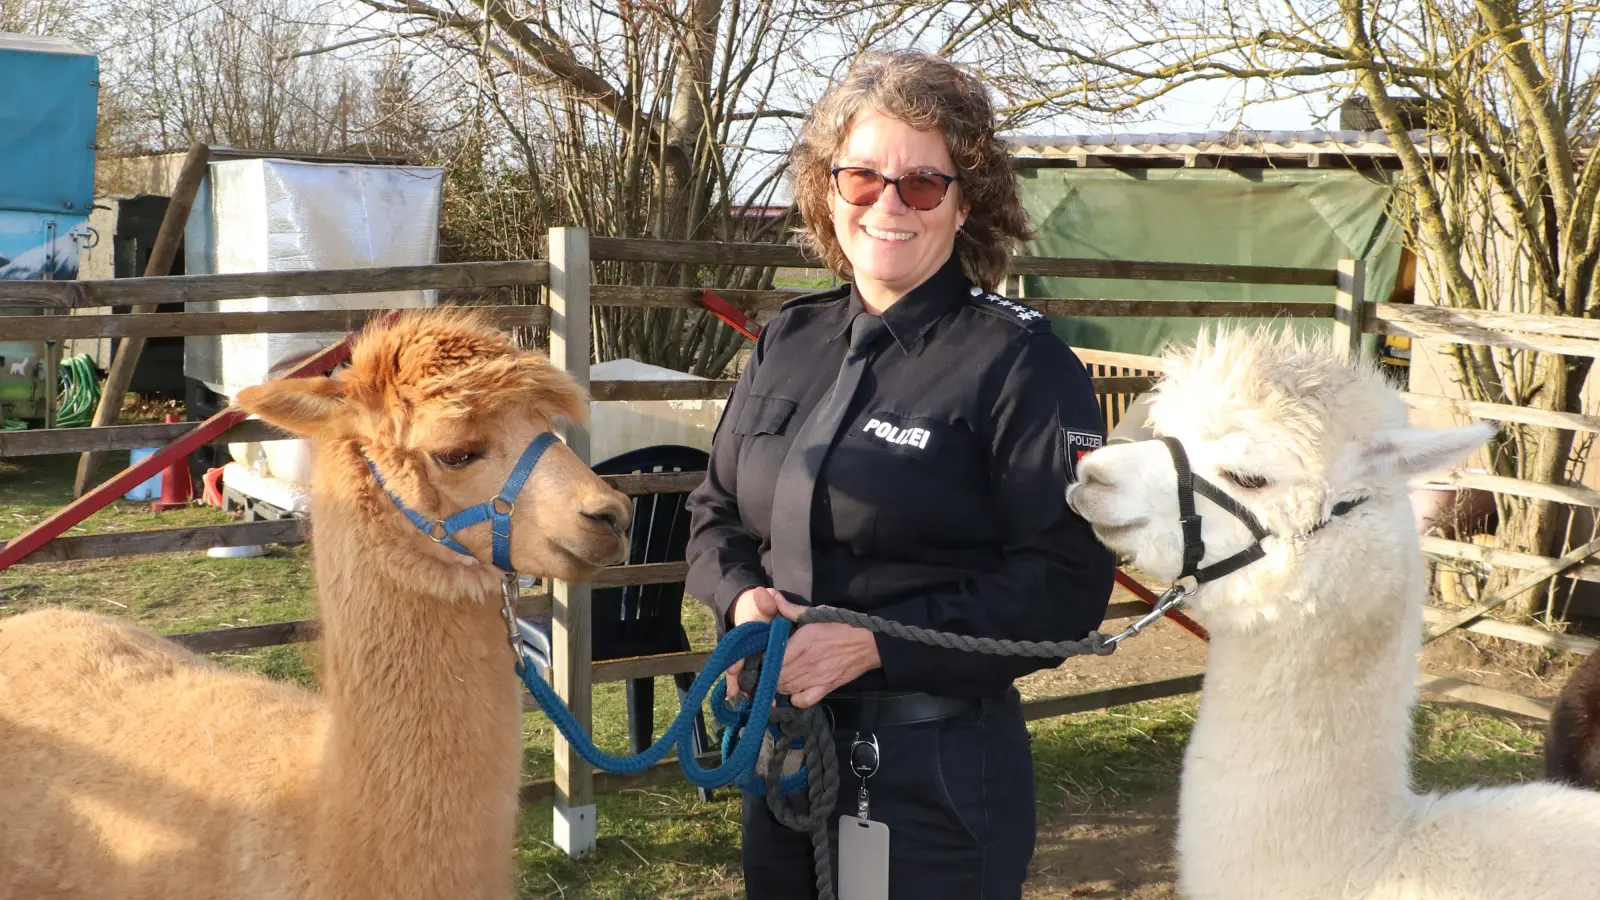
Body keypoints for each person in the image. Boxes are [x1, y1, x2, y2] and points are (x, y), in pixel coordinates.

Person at [684, 49, 1115, 899]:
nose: (889, 203)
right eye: (863, 178)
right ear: (828, 190)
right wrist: (741, 599)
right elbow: (714, 509)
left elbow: (1065, 584)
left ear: (965, 204)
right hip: (782, 759)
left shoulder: (1022, 365)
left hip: (933, 777)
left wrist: (877, 644)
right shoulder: (789, 340)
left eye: (923, 183)